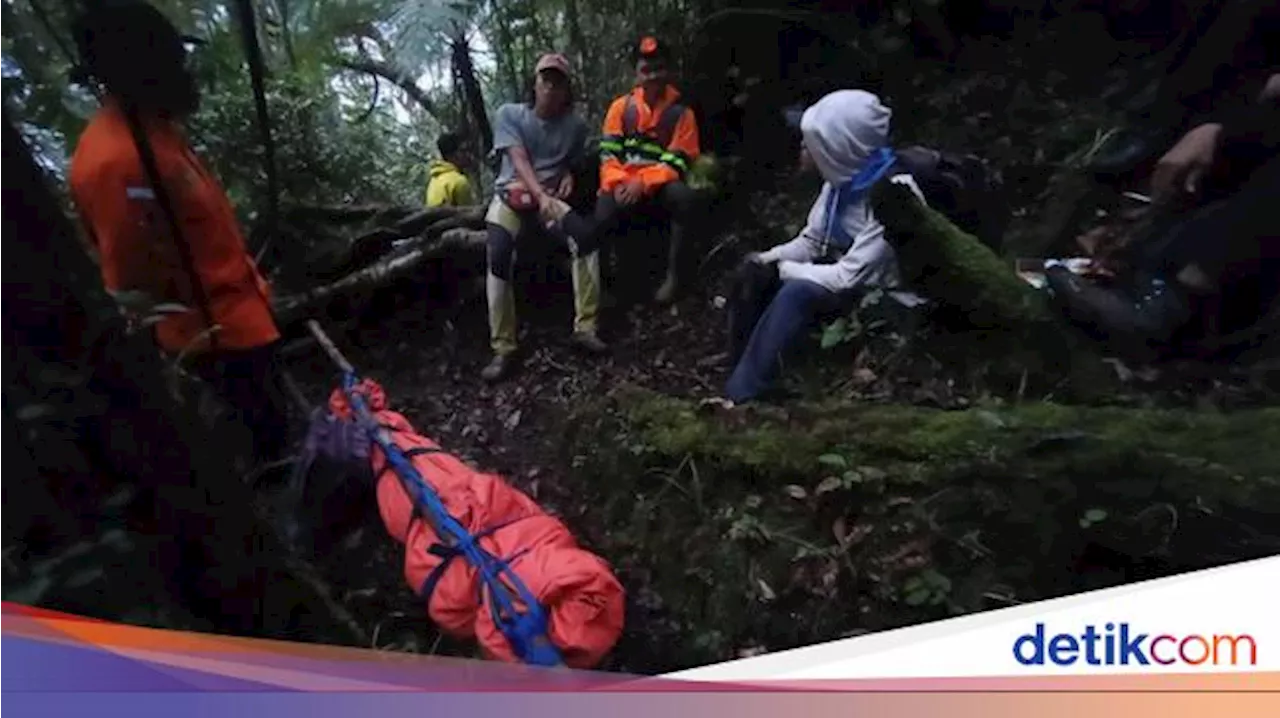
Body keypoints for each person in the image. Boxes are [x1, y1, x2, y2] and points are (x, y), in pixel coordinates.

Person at [68, 0, 290, 464]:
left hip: (241, 315)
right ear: (138, 73)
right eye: (172, 63)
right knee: (263, 441)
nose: (185, 72)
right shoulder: (118, 162)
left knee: (276, 423)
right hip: (213, 337)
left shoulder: (154, 131)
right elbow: (132, 280)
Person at [720, 89, 927, 405]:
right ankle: (738, 368)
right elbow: (813, 241)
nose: (803, 148)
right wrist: (765, 260)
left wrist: (783, 270)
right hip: (852, 283)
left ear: (838, 148)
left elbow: (849, 277)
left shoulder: (896, 196)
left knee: (796, 291)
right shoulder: (841, 184)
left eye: (812, 142)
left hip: (889, 299)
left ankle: (746, 394)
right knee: (755, 272)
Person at [542, 35, 701, 305]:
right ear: (636, 74)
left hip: (658, 182)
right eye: (646, 70)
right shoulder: (621, 108)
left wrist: (644, 182)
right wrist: (619, 184)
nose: (653, 76)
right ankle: (601, 286)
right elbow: (609, 152)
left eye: (659, 69)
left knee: (685, 200)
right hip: (621, 182)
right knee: (601, 217)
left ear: (669, 71)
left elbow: (680, 158)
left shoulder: (682, 113)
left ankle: (675, 278)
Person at [481, 53, 599, 383]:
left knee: (585, 239)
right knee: (499, 253)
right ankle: (503, 347)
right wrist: (541, 196)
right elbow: (518, 160)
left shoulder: (575, 126)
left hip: (549, 200)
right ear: (534, 84)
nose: (550, 86)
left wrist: (570, 175)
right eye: (545, 79)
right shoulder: (510, 115)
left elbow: (576, 160)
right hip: (513, 196)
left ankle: (585, 327)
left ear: (566, 89)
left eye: (557, 81)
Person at [425, 131, 475, 207]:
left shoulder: (434, 180)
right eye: (463, 151)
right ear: (451, 155)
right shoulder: (459, 181)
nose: (468, 155)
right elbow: (470, 215)